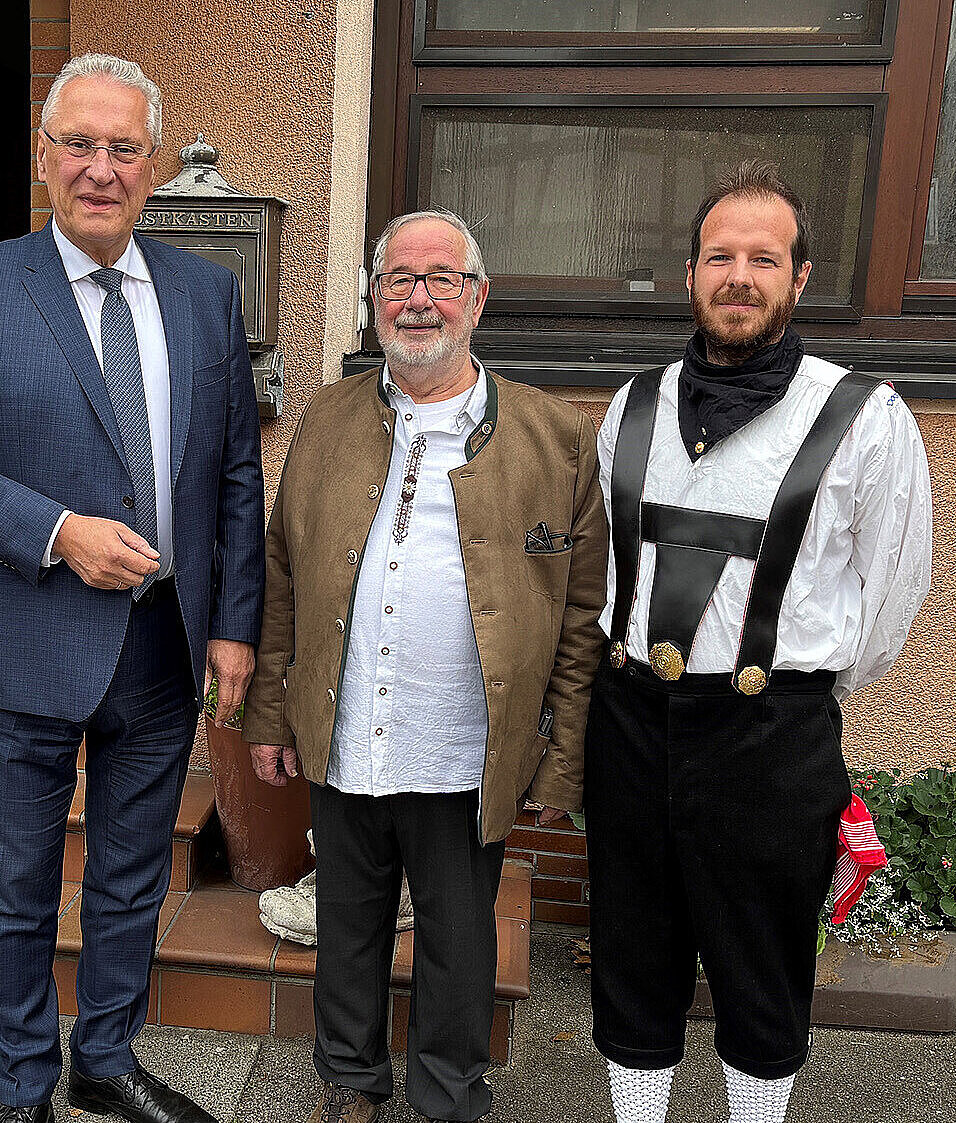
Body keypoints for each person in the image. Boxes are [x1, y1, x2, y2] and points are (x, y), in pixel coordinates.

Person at [0, 53, 263, 1123]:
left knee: (133, 878)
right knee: (14, 895)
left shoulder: (203, 294)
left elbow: (235, 471)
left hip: (162, 645)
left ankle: (106, 1057)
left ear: (152, 162)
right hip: (23, 641)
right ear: (46, 156)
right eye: (80, 145)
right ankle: (21, 1088)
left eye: (124, 148)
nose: (102, 168)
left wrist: (235, 627)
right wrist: (54, 533)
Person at [584, 161, 933, 1123]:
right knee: (631, 950)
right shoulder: (633, 404)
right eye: (720, 256)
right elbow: (608, 568)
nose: (740, 275)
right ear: (692, 274)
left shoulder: (866, 418)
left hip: (769, 735)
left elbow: (890, 600)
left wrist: (786, 687)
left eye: (764, 259)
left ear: (801, 277)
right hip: (632, 723)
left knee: (762, 962)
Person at [241, 211, 607, 1123]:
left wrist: (561, 758)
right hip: (349, 720)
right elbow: (280, 568)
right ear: (372, 302)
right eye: (398, 280)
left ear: (477, 298)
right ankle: (351, 1080)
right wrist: (271, 717)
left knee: (457, 935)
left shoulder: (554, 436)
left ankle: (449, 1093)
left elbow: (582, 611)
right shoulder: (327, 417)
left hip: (467, 741)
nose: (418, 298)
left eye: (441, 278)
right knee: (347, 923)